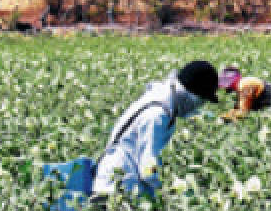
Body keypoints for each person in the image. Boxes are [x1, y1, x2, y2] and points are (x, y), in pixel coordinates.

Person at [92, 60, 219, 197]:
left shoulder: (162, 99)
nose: (199, 107)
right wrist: (172, 191)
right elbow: (148, 169)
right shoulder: (157, 115)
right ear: (193, 96)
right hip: (117, 188)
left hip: (121, 182)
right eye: (202, 100)